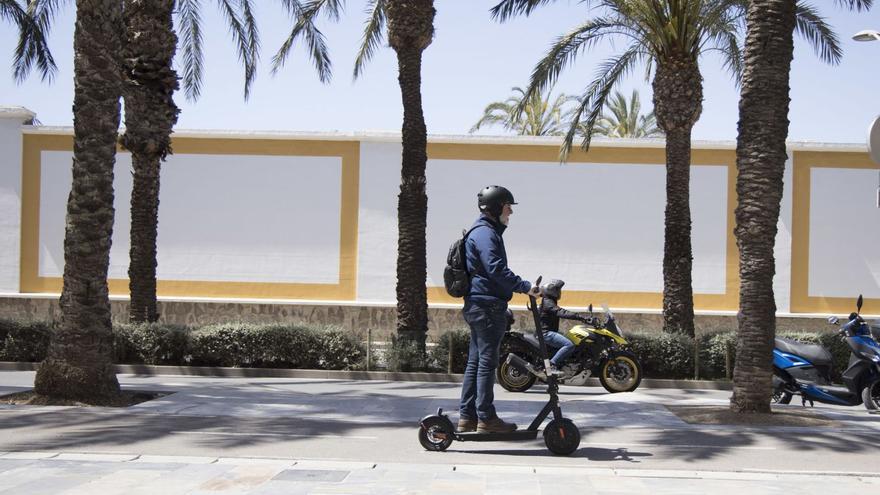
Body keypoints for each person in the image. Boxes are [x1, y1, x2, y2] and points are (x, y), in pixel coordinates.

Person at [458, 185, 541, 434]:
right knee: (486, 362)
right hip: (487, 306)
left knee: (476, 362)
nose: (510, 213)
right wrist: (526, 287)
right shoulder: (485, 233)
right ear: (495, 207)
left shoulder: (483, 231)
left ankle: (467, 417)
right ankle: (486, 418)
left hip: (480, 304)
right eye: (508, 207)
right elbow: (495, 269)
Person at [538, 279, 592, 375]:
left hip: (547, 332)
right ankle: (550, 366)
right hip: (546, 333)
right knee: (569, 345)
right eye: (557, 290)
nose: (559, 292)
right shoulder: (548, 302)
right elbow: (561, 312)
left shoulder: (548, 301)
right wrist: (580, 317)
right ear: (552, 291)